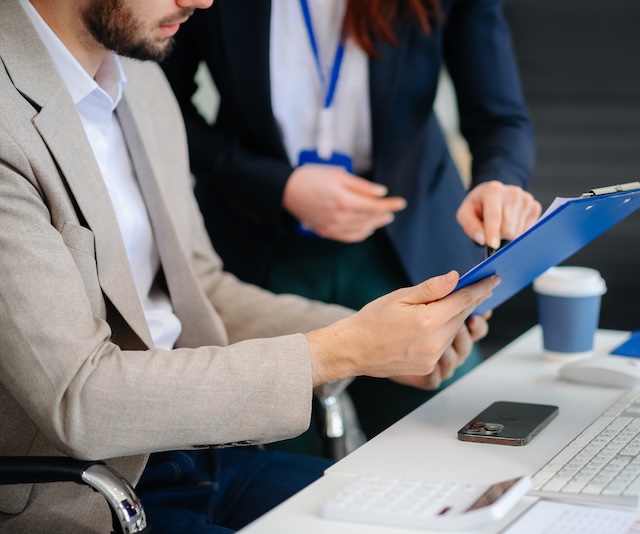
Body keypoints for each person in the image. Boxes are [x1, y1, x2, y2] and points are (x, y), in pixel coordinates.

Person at [0, 0, 499, 532]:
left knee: (437, 518)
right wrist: (344, 350)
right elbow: (82, 398)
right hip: (88, 493)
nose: (202, 1)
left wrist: (381, 343)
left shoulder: (139, 81)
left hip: (199, 452)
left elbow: (203, 292)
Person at [160, 0, 541, 443]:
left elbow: (500, 117)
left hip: (407, 252)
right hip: (257, 249)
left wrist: (499, 180)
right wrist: (278, 186)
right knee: (274, 457)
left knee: (449, 439)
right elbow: (162, 105)